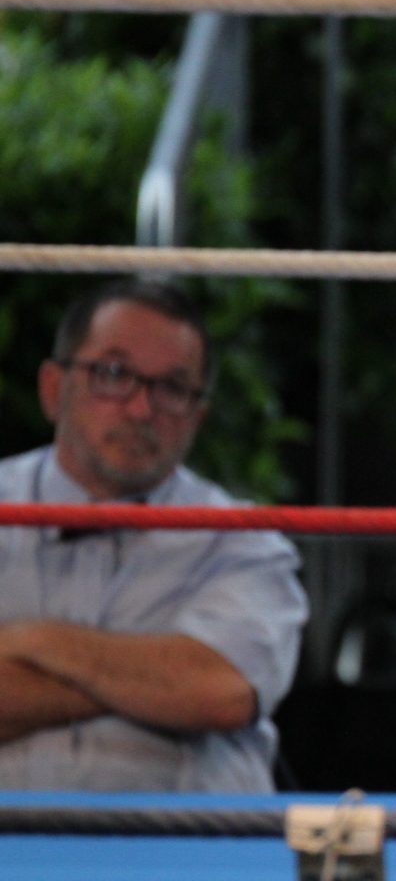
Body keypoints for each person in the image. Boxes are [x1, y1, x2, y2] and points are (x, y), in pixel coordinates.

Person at [0, 280, 307, 791]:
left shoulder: (243, 539)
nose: (142, 409)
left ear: (197, 415)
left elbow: (218, 693)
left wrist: (34, 640)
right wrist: (153, 685)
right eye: (113, 374)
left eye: (172, 388)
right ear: (53, 389)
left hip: (189, 856)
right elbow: (193, 688)